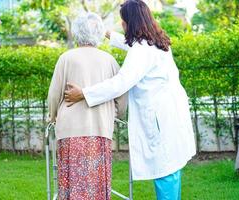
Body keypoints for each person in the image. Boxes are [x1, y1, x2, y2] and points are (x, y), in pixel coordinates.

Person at [64, 1, 196, 199]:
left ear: (131, 23)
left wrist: (83, 93)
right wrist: (106, 33)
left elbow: (120, 83)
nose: (122, 25)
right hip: (170, 113)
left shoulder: (142, 50)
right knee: (171, 170)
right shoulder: (155, 41)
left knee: (165, 172)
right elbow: (131, 45)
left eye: (123, 22)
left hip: (160, 118)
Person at [47, 13, 127, 200]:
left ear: (76, 32)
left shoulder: (66, 58)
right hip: (100, 129)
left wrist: (53, 116)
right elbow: (122, 98)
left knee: (70, 183)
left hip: (69, 130)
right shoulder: (110, 61)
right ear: (99, 33)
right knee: (97, 184)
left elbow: (53, 95)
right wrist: (113, 113)